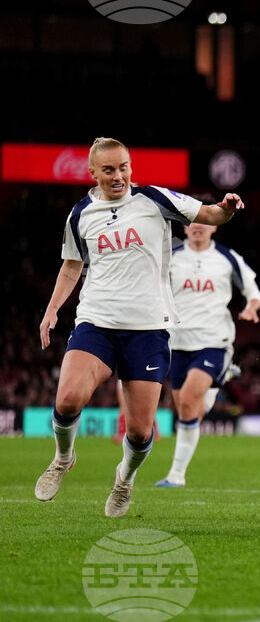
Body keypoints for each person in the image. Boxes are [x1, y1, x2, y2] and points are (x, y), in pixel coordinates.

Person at [35, 137, 244, 517]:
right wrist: (52, 310)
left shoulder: (154, 200)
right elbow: (71, 265)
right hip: (96, 322)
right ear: (93, 173)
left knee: (140, 432)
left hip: (148, 330)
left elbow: (211, 215)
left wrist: (227, 209)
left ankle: (124, 479)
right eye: (109, 169)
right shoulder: (80, 213)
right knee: (67, 399)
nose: (118, 176)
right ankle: (63, 458)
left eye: (124, 167)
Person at [155, 219, 260, 488]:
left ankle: (176, 475)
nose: (198, 226)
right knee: (188, 410)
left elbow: (253, 292)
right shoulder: (171, 256)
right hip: (178, 343)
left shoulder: (227, 258)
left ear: (214, 227)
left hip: (214, 340)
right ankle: (219, 382)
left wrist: (251, 307)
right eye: (193, 221)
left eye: (205, 221)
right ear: (184, 227)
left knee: (190, 401)